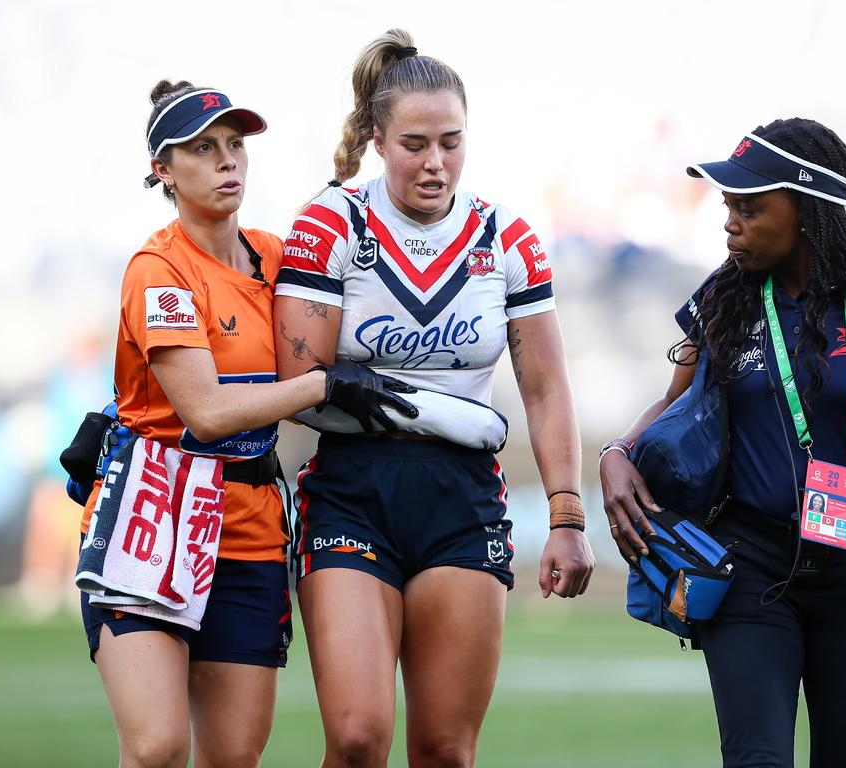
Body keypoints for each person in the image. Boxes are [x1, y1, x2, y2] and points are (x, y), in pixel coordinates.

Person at [599, 117, 846, 767]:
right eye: (728, 207)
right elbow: (675, 400)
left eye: (750, 207)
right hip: (749, 567)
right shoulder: (722, 298)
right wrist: (618, 453)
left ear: (807, 210)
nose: (730, 223)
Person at [273, 30, 596, 767]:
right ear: (377, 140)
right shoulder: (327, 226)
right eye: (415, 143)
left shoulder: (507, 238)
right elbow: (297, 384)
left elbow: (545, 388)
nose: (435, 162)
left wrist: (567, 514)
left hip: (463, 498)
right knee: (356, 738)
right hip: (353, 490)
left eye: (451, 142)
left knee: (446, 751)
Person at [78, 79, 413, 768]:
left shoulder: (274, 255)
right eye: (203, 149)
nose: (228, 160)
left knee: (231, 758)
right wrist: (322, 385)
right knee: (158, 747)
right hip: (154, 517)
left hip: (250, 528)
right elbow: (205, 413)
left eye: (235, 145)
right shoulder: (158, 269)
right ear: (162, 171)